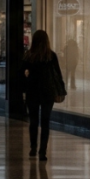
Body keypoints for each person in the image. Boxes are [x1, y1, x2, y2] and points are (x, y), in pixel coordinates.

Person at [21, 30, 65, 161]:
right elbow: (58, 74)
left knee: (33, 121)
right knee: (45, 121)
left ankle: (33, 147)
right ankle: (42, 152)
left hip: (32, 92)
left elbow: (22, 73)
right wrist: (61, 89)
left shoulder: (29, 56)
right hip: (48, 92)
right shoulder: (51, 56)